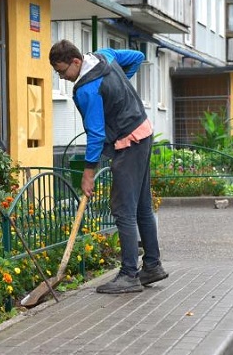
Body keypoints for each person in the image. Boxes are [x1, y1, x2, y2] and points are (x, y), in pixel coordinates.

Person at [49, 40, 168, 294]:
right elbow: (136, 56)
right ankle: (152, 266)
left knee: (123, 209)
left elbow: (95, 133)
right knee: (142, 206)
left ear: (76, 62)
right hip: (143, 131)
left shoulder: (88, 90)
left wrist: (88, 174)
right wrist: (119, 90)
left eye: (62, 71)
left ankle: (129, 275)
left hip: (128, 142)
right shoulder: (105, 56)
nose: (62, 77)